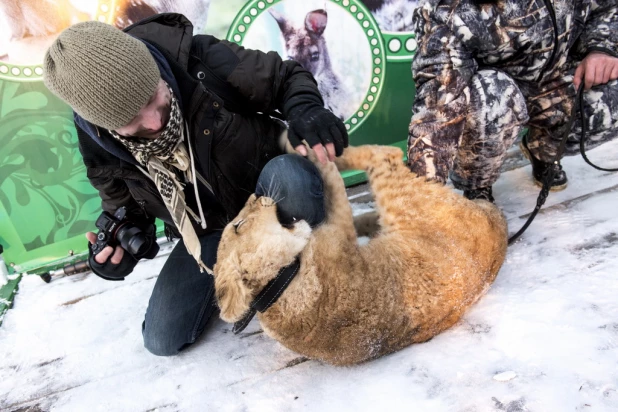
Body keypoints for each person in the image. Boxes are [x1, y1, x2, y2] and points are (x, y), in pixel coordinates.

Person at [42, 13, 348, 356]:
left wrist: (305, 109)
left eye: (151, 96)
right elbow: (124, 208)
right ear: (107, 126)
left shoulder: (199, 59)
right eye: (132, 121)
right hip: (210, 235)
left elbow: (284, 77)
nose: (155, 120)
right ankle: (263, 278)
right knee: (161, 339)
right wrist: (116, 249)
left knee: (291, 176)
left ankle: (289, 271)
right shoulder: (97, 141)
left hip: (269, 195)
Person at [407, 0, 618, 202]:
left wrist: (600, 48)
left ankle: (543, 151)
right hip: (495, 97)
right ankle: (477, 185)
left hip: (556, 80)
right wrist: (424, 197)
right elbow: (438, 104)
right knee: (491, 96)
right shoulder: (447, 8)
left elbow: (607, 8)